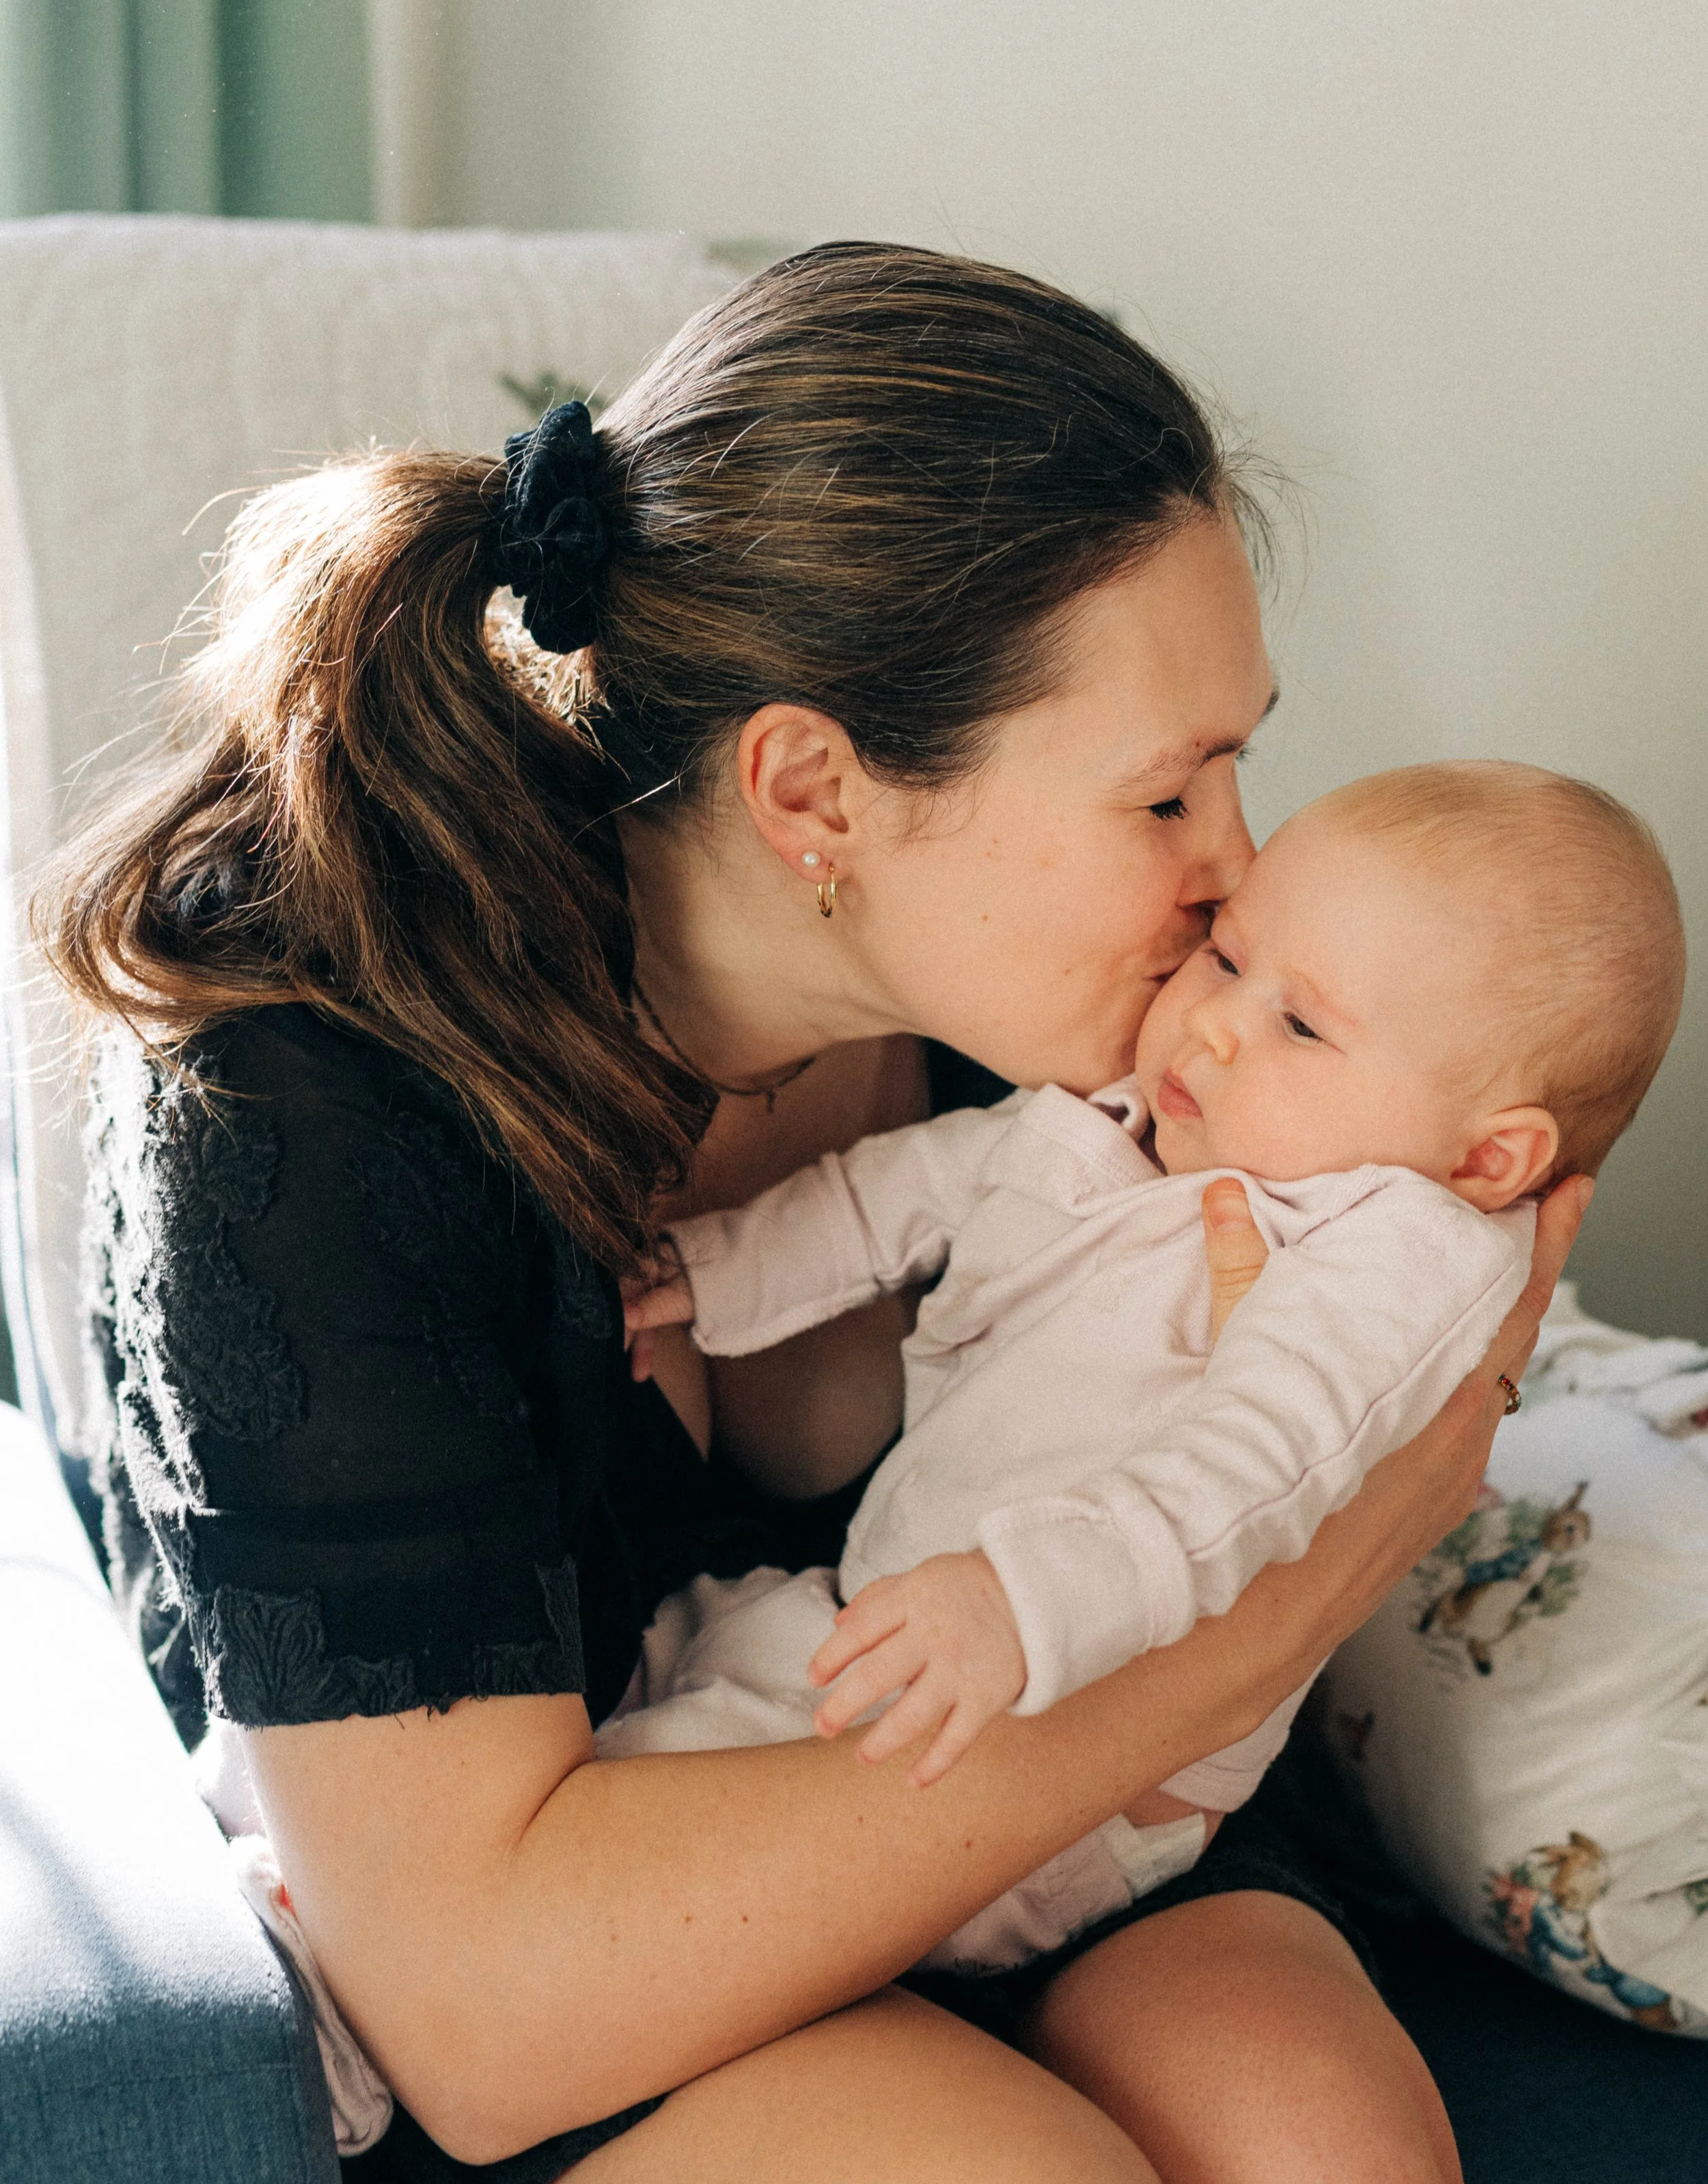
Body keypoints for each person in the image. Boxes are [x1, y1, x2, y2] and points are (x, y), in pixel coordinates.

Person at [46, 244, 1587, 2184]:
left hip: (1033, 1772)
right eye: (1166, 798)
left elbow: (1376, 1301)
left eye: (1241, 765)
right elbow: (486, 2006)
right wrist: (1238, 1635)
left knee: (1320, 2150)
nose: (1236, 876)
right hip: (557, 1904)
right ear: (815, 794)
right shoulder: (303, 1103)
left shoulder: (1089, 1045)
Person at [607, 763, 1681, 1988]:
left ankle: (373, 2048)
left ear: (1490, 1156)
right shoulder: (1159, 1115)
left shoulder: (1399, 1252)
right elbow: (907, 1189)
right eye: (1227, 958)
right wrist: (708, 1270)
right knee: (659, 1663)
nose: (1215, 1019)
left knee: (676, 1804)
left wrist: (1023, 1602)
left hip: (1083, 1768)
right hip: (906, 1621)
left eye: (1304, 1024)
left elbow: (1243, 1470)